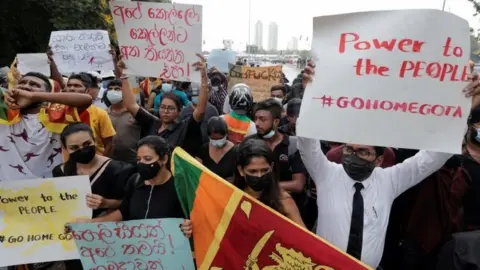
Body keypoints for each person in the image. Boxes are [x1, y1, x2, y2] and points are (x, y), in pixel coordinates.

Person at [297, 62, 480, 268]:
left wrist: (464, 109)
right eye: (350, 149)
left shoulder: (389, 180)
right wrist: (310, 95)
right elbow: (306, 144)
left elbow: (433, 157)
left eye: (364, 152)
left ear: (379, 160)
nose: (353, 156)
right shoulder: (326, 173)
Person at [69, 136, 191, 235]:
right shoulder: (134, 181)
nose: (142, 163)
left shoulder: (180, 187)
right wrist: (89, 223)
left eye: (148, 159)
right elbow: (124, 212)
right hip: (139, 251)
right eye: (139, 159)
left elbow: (193, 219)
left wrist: (188, 227)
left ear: (164, 159)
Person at [0, 72, 92, 181]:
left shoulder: (58, 113)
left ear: (47, 94)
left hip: (51, 187)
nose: (25, 86)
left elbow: (86, 100)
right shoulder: (4, 112)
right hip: (9, 189)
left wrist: (32, 96)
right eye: (22, 83)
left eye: (34, 85)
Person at [119, 54, 208, 156]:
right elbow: (131, 105)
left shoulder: (185, 127)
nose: (165, 111)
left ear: (179, 110)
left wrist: (203, 77)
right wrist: (124, 75)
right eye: (163, 107)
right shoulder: (152, 123)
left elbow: (200, 111)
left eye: (171, 108)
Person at [233, 139, 305, 227]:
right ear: (241, 170)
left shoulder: (283, 200)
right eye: (253, 171)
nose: (259, 175)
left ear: (271, 167)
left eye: (264, 170)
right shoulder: (231, 196)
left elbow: (302, 237)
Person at [65, 73, 116, 156]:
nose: (72, 88)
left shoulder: (100, 113)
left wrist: (101, 164)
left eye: (77, 86)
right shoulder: (58, 111)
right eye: (69, 85)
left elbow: (109, 145)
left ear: (87, 90)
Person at [105, 79, 142, 164]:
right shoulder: (103, 114)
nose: (112, 91)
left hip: (133, 158)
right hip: (110, 159)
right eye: (110, 89)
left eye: (117, 89)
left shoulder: (136, 113)